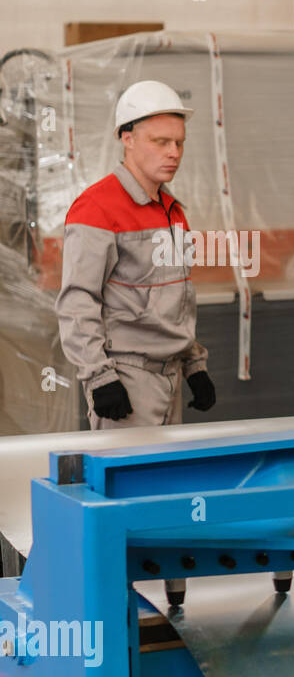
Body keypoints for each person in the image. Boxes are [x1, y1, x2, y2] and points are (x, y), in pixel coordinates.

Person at [56, 79, 215, 606]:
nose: (173, 153)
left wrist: (194, 364)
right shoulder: (96, 209)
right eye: (159, 142)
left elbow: (180, 296)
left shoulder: (172, 210)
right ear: (127, 138)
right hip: (126, 380)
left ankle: (174, 609)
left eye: (179, 143)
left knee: (170, 495)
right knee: (124, 502)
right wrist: (100, 379)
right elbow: (76, 302)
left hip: (169, 376)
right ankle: (116, 611)